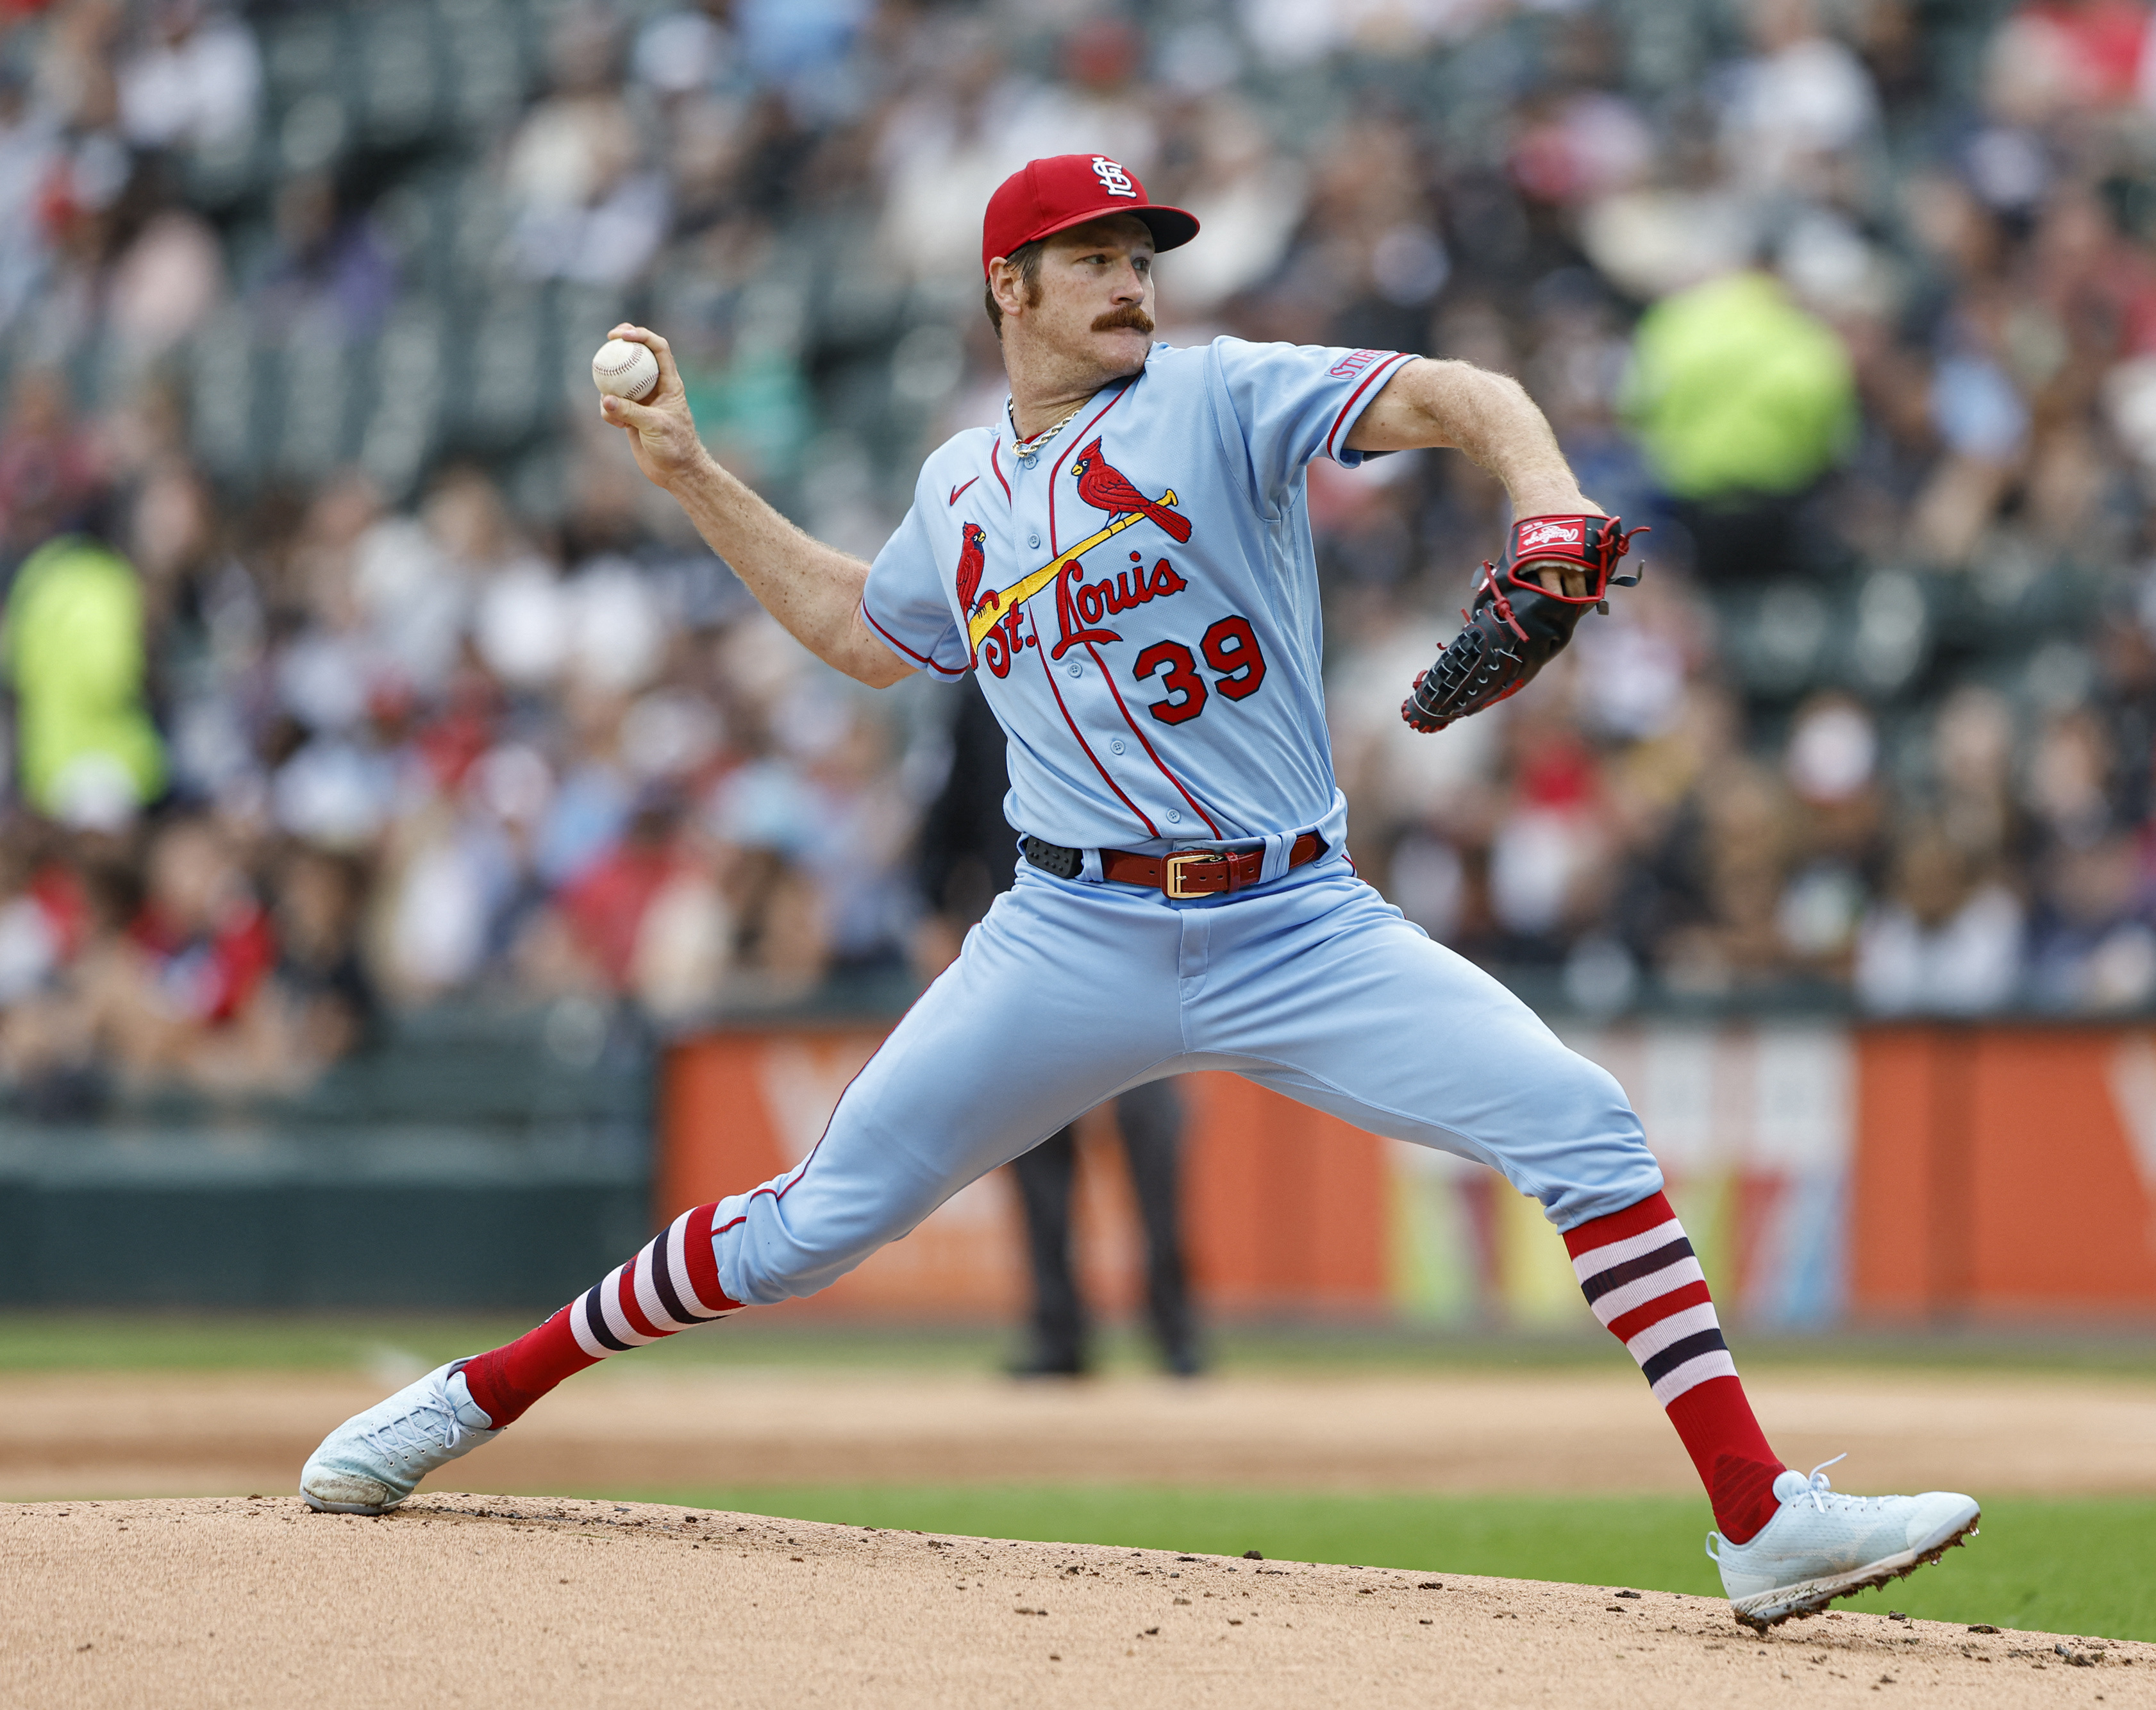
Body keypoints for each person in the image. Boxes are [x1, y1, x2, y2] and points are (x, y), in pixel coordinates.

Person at [300, 153, 1976, 1630]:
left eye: (1142, 252)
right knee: (814, 1224)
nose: (1130, 278)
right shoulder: (960, 487)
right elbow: (857, 635)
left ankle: (1758, 1519)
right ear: (1005, 288)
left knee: (1587, 1127)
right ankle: (478, 1392)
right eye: (1095, 255)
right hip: (1068, 930)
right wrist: (685, 474)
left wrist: (1552, 505)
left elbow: (1466, 390)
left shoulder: (1221, 396)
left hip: (1295, 923)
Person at [915, 687, 1199, 1377]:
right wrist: (929, 901)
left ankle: (1177, 1333)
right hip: (1026, 931)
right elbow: (953, 806)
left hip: (1138, 924)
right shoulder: (986, 679)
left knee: (1149, 1129)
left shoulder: (1122, 657)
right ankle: (1058, 1332)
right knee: (1034, 1138)